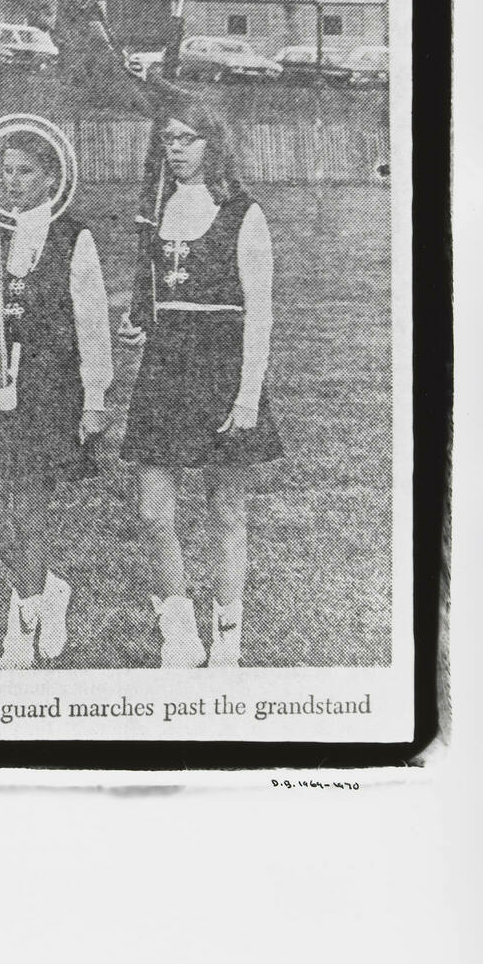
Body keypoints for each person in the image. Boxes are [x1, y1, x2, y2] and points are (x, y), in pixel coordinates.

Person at [117, 92, 283, 668]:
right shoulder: (157, 210)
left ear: (214, 144)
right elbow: (155, 296)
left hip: (219, 365)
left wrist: (247, 398)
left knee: (225, 509)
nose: (177, 149)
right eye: (169, 139)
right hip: (164, 367)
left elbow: (259, 313)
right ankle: (178, 634)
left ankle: (228, 643)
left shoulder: (244, 214)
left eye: (188, 138)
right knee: (152, 511)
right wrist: (138, 325)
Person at [0, 126, 113, 669]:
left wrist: (95, 395)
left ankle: (19, 629)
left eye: (25, 172)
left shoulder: (73, 236)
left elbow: (92, 319)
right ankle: (47, 587)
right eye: (6, 171)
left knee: (28, 510)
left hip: (52, 383)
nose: (14, 182)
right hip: (0, 376)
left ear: (50, 178)